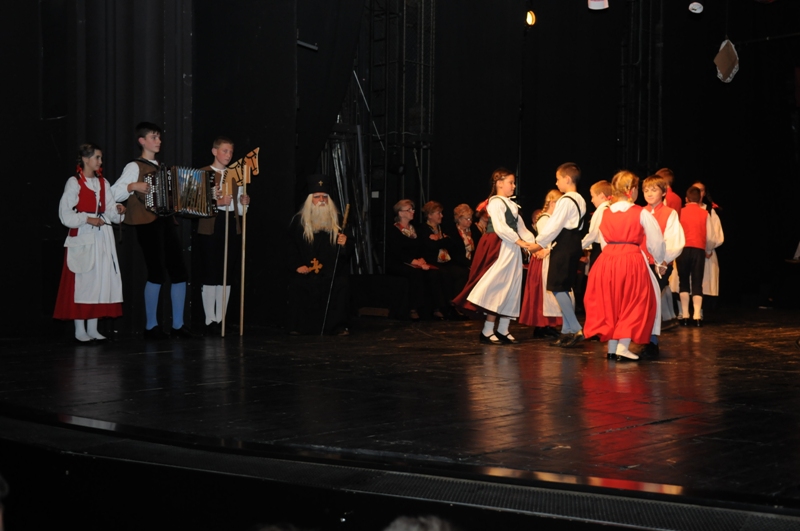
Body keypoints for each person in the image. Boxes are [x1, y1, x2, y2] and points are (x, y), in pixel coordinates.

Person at [110, 122, 193, 338]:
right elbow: (113, 193)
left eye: (159, 137)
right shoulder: (134, 167)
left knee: (179, 271)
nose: (158, 141)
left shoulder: (161, 167)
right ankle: (151, 326)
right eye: (154, 137)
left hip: (165, 221)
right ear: (142, 141)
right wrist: (132, 186)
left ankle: (178, 325)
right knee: (156, 272)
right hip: (146, 223)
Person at [583, 171, 665, 360]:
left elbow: (601, 239)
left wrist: (611, 254)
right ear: (632, 189)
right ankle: (622, 347)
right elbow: (656, 242)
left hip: (607, 260)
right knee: (634, 302)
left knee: (612, 303)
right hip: (631, 260)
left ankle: (612, 348)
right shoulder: (641, 212)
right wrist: (659, 261)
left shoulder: (604, 212)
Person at [452, 168, 538, 344]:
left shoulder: (511, 205)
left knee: (512, 286)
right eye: (510, 182)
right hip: (499, 246)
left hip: (511, 247)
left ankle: (503, 329)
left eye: (514, 183)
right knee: (496, 286)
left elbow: (522, 229)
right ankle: (487, 330)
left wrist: (536, 245)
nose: (513, 186)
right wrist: (521, 242)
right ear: (499, 183)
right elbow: (501, 228)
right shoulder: (496, 202)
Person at [54, 143, 126, 342]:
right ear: (86, 159)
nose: (100, 161)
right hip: (83, 235)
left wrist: (117, 209)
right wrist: (87, 219)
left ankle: (93, 328)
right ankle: (80, 329)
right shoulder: (74, 183)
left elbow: (109, 209)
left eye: (100, 158)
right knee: (83, 281)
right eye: (97, 157)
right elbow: (65, 214)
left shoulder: (103, 183)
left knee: (99, 280)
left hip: (102, 238)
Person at [196, 137, 251, 334]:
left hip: (230, 226)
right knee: (211, 272)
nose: (228, 155)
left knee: (226, 274)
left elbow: (240, 211)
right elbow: (194, 205)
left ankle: (221, 319)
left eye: (230, 152)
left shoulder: (235, 174)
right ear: (214, 151)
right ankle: (209, 319)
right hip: (211, 227)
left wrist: (244, 203)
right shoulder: (203, 173)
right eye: (225, 151)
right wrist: (217, 203)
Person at [529, 162, 587, 348]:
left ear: (567, 179)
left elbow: (555, 225)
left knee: (557, 287)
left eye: (558, 179)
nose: (556, 182)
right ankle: (566, 331)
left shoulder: (566, 200)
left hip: (564, 244)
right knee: (562, 287)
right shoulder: (580, 199)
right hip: (573, 242)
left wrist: (538, 243)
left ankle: (576, 327)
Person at [287, 175, 352, 335]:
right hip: (307, 269)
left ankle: (337, 326)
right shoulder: (299, 221)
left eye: (325, 197)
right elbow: (290, 247)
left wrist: (345, 244)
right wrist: (298, 265)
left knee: (341, 284)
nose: (321, 200)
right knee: (299, 284)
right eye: (317, 197)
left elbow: (347, 252)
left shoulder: (338, 221)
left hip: (330, 272)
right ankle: (301, 326)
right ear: (310, 200)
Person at [639, 174, 685, 352]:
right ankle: (643, 338)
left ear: (664, 192)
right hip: (641, 263)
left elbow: (675, 240)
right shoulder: (640, 212)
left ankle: (651, 340)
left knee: (651, 301)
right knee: (641, 302)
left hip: (660, 265)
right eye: (646, 190)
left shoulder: (669, 213)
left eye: (654, 190)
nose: (649, 193)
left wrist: (664, 261)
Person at [386, 199, 447, 320]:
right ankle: (413, 308)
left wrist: (421, 259)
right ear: (400, 213)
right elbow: (397, 253)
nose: (412, 212)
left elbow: (421, 247)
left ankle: (435, 308)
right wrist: (414, 262)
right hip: (399, 263)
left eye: (412, 209)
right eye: (409, 210)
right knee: (415, 274)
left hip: (415, 261)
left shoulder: (415, 229)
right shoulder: (394, 230)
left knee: (434, 272)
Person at [519, 190, 563, 338]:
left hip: (549, 258)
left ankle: (548, 325)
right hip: (543, 259)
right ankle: (541, 326)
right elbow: (546, 241)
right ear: (553, 203)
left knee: (548, 295)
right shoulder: (544, 219)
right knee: (542, 295)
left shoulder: (552, 219)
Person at [418, 201, 469, 307]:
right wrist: (443, 240)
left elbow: (452, 242)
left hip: (446, 261)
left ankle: (457, 303)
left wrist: (440, 240)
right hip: (432, 262)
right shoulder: (423, 229)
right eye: (438, 213)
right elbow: (431, 246)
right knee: (443, 274)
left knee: (462, 272)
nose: (441, 216)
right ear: (430, 215)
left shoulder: (443, 228)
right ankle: (442, 306)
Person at [675, 186, 713, 326]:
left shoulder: (679, 212)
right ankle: (697, 316)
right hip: (698, 250)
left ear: (686, 199)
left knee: (683, 282)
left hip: (683, 250)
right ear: (700, 199)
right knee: (697, 282)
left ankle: (685, 315)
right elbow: (710, 236)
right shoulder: (705, 213)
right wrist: (708, 249)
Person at [692, 181, 724, 305]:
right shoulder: (684, 210)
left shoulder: (709, 211)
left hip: (706, 253)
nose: (698, 193)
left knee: (704, 284)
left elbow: (716, 234)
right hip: (690, 252)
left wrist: (708, 249)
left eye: (701, 190)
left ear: (704, 193)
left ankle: (699, 310)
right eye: (695, 189)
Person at [581, 180, 612, 272]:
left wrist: (578, 246)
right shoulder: (612, 208)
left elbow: (593, 234)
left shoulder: (601, 210)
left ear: (602, 195)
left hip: (599, 249)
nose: (591, 200)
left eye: (593, 196)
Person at [450, 203, 482, 270]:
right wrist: (469, 264)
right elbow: (455, 254)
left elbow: (480, 245)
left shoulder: (474, 229)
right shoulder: (452, 231)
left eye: (471, 219)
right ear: (459, 219)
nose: (470, 221)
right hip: (458, 266)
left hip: (474, 263)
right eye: (467, 219)